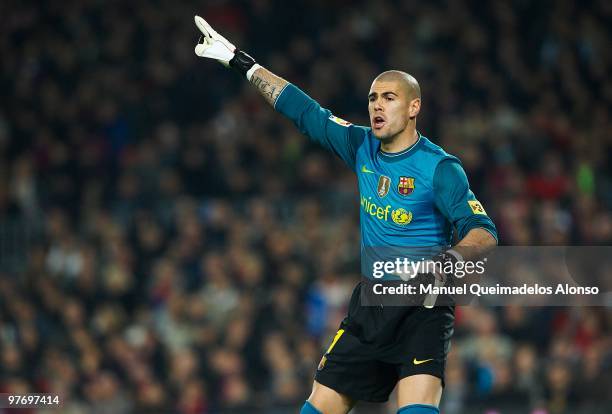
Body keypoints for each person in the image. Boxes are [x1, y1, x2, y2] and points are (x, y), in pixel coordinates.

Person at [193, 15, 498, 414]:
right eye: (372, 97)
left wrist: (451, 260)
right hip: (372, 303)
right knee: (317, 408)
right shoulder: (361, 146)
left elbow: (484, 232)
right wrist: (244, 63)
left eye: (389, 97)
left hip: (424, 306)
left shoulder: (439, 168)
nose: (376, 105)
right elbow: (306, 112)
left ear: (413, 107)